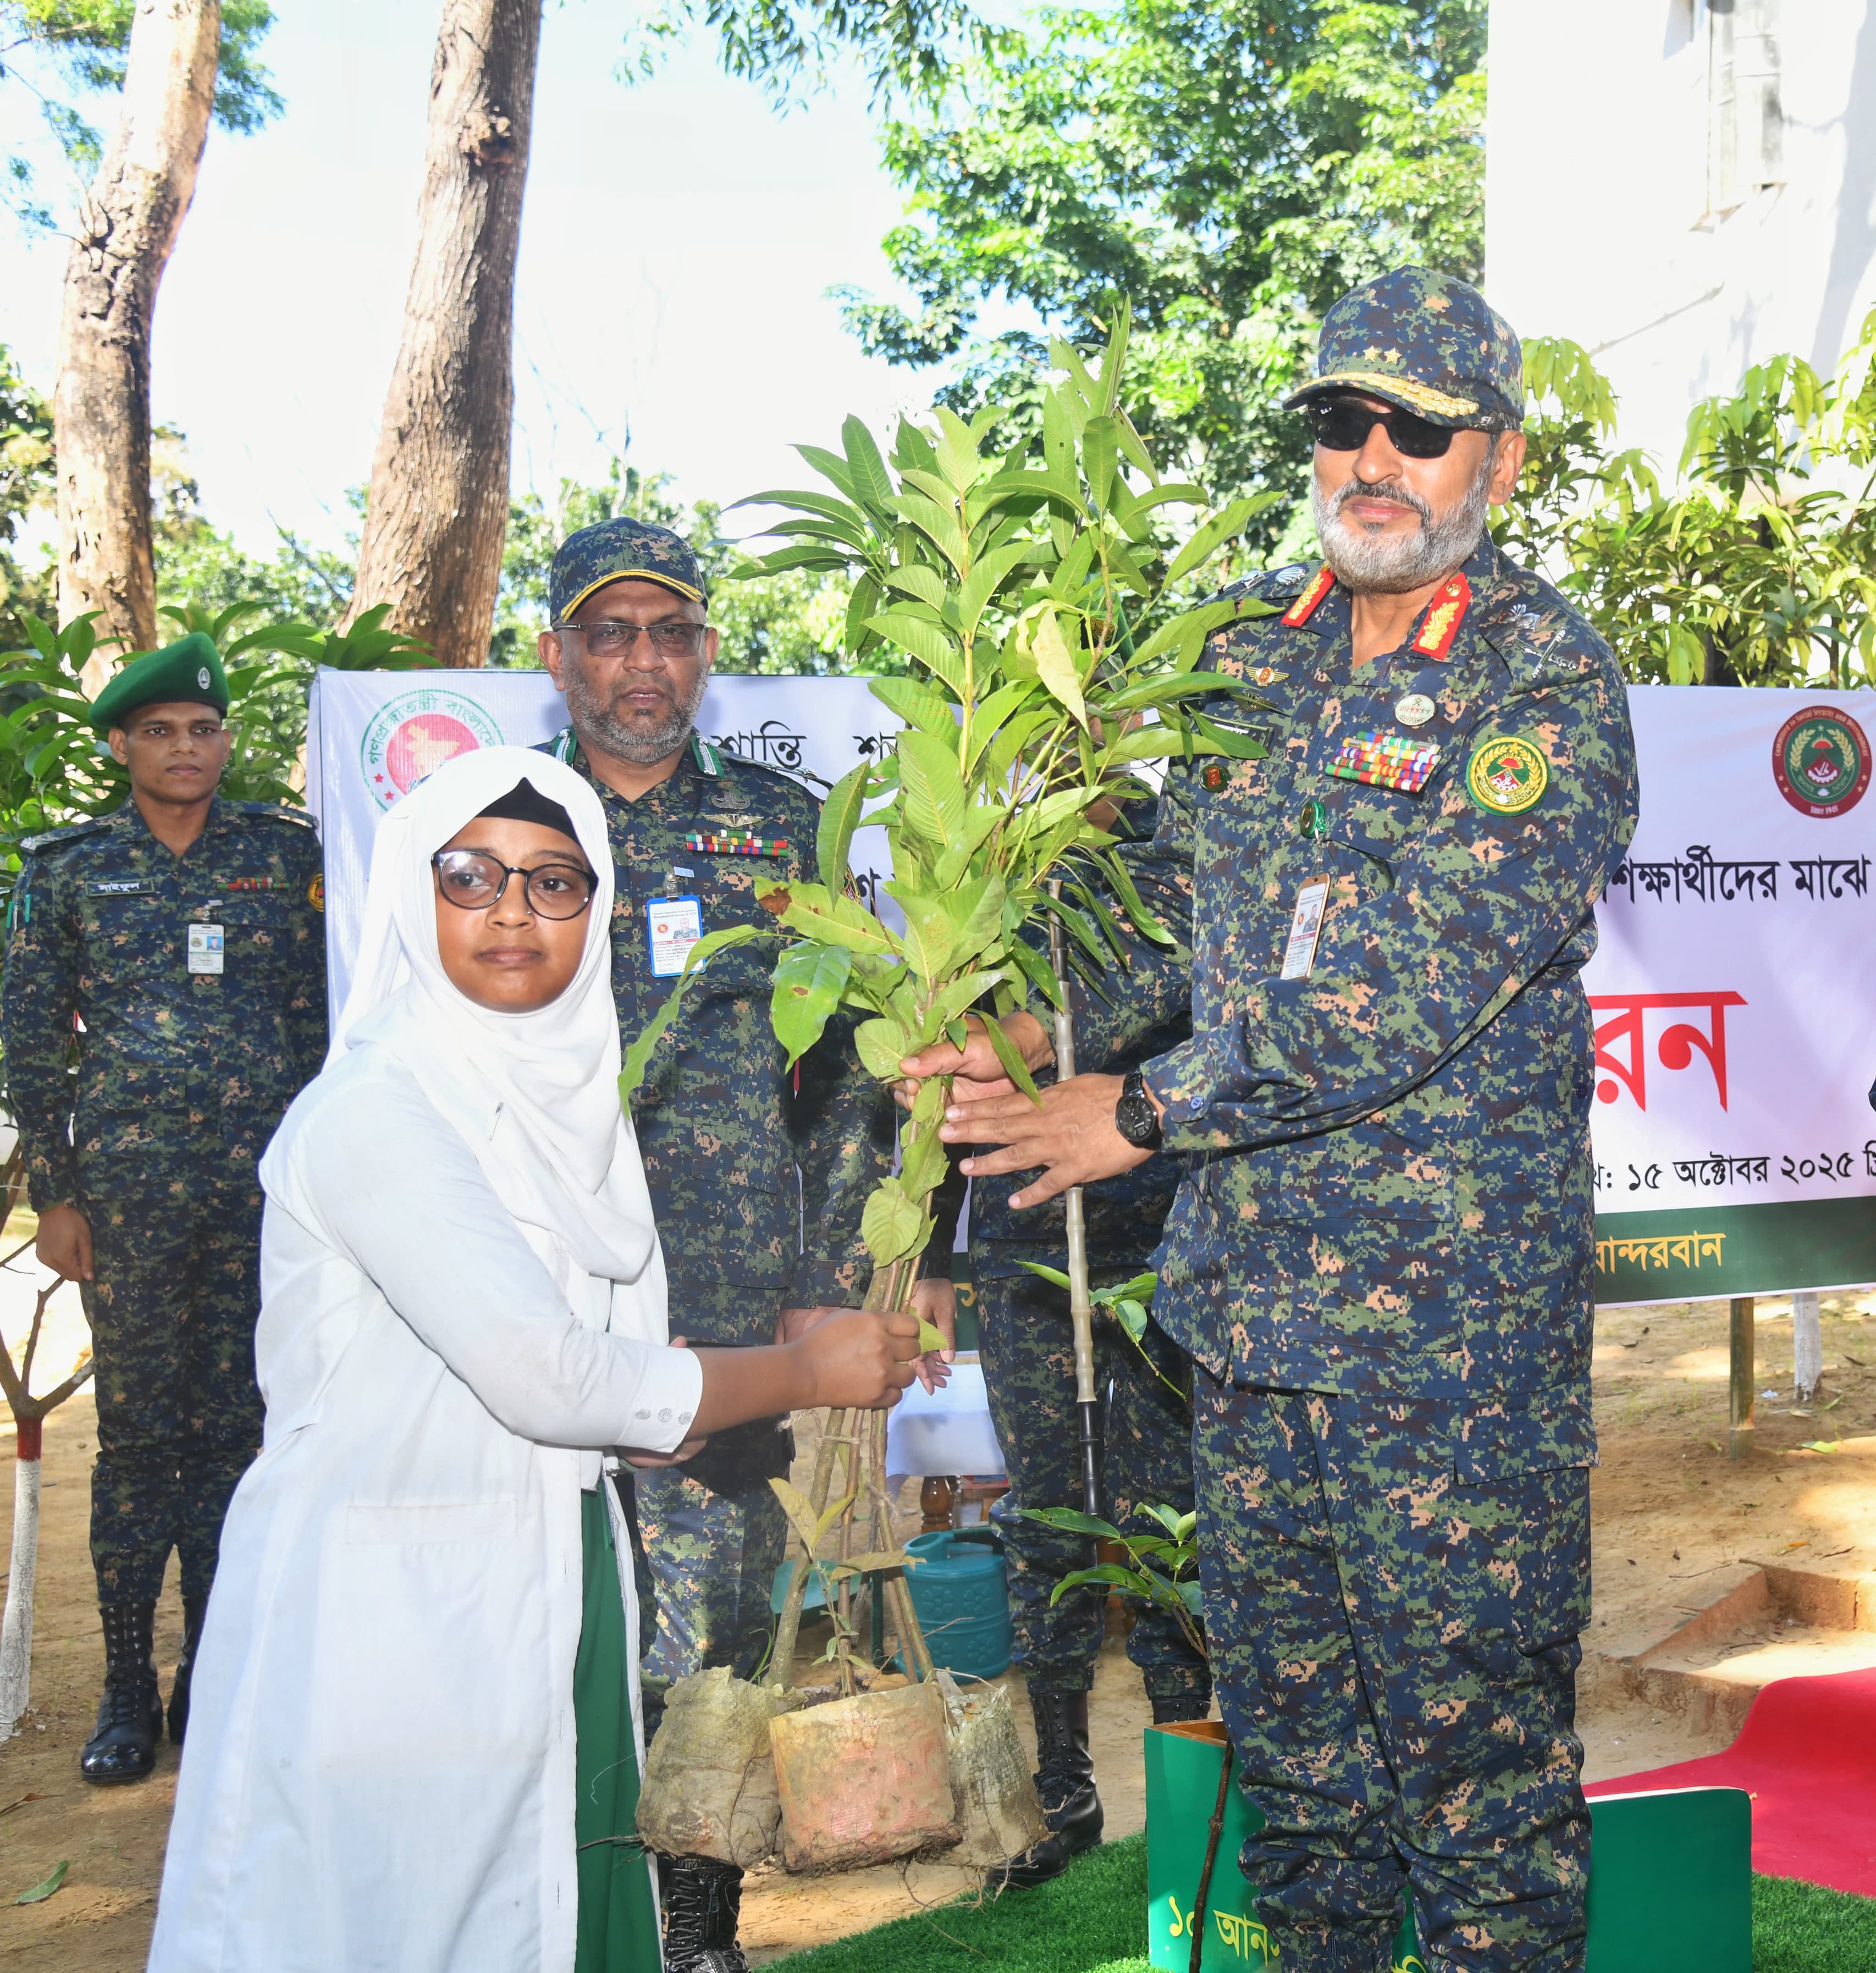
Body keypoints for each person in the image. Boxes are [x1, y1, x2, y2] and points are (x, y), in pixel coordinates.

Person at [904, 269, 1640, 1971]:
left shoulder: (1542, 679)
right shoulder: (1244, 650)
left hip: (1447, 1354)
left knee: (1476, 1796)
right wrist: (1031, 1019)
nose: (1370, 458)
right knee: (1300, 1780)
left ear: (1495, 463)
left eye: (1415, 428)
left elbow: (1403, 981)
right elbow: (1172, 905)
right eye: (1339, 421)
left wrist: (1141, 1110)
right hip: (1246, 1330)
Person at [146, 748, 918, 1973]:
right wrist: (806, 1371)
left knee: (558, 1903)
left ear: (596, 910)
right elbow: (549, 1376)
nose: (513, 909)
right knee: (391, 1919)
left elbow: (595, 1375)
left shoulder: (571, 1107)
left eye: (555, 881)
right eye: (472, 876)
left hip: (554, 1571)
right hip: (382, 1611)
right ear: (412, 892)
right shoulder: (376, 1109)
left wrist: (646, 1392)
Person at [537, 517, 899, 1972]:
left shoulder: (776, 821)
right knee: (536, 1608)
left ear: (703, 650)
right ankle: (544, 1912)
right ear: (557, 652)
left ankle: (696, 1931)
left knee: (714, 1628)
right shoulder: (506, 819)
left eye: (671, 631)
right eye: (611, 631)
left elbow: (850, 1068)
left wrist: (823, 1273)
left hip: (730, 1304)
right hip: (535, 1289)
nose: (644, 661)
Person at [1, 631, 327, 1786]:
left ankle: (220, 1665)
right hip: (130, 1203)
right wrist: (59, 1193)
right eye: (160, 731)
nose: (186, 748)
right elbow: (34, 1040)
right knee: (141, 1443)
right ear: (120, 745)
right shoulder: (72, 868)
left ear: (226, 740)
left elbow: (318, 1025)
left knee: (245, 1430)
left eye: (203, 729)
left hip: (266, 1197)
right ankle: (127, 1680)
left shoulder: (287, 858)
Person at [919, 797, 1211, 1891]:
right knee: (1047, 1511)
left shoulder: (1169, 841)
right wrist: (933, 1258)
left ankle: (1187, 1753)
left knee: (1161, 1505)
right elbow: (951, 1078)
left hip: (1158, 1227)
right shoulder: (981, 866)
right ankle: (1065, 1791)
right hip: (1024, 1227)